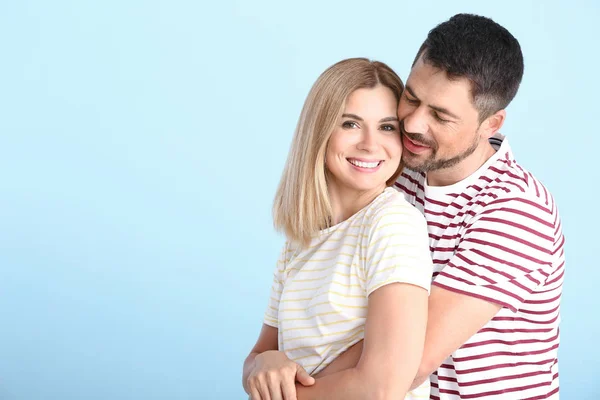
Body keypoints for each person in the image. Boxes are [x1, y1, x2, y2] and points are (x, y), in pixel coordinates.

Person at [303, 13, 565, 400]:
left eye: (440, 115)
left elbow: (406, 360)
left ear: (490, 124)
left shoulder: (518, 210)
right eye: (411, 97)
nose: (412, 124)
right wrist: (263, 362)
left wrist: (288, 384)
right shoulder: (395, 170)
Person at [242, 58, 435, 400]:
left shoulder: (392, 224)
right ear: (320, 131)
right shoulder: (300, 240)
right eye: (350, 124)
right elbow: (257, 357)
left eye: (387, 127)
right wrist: (264, 364)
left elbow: (382, 388)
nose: (370, 144)